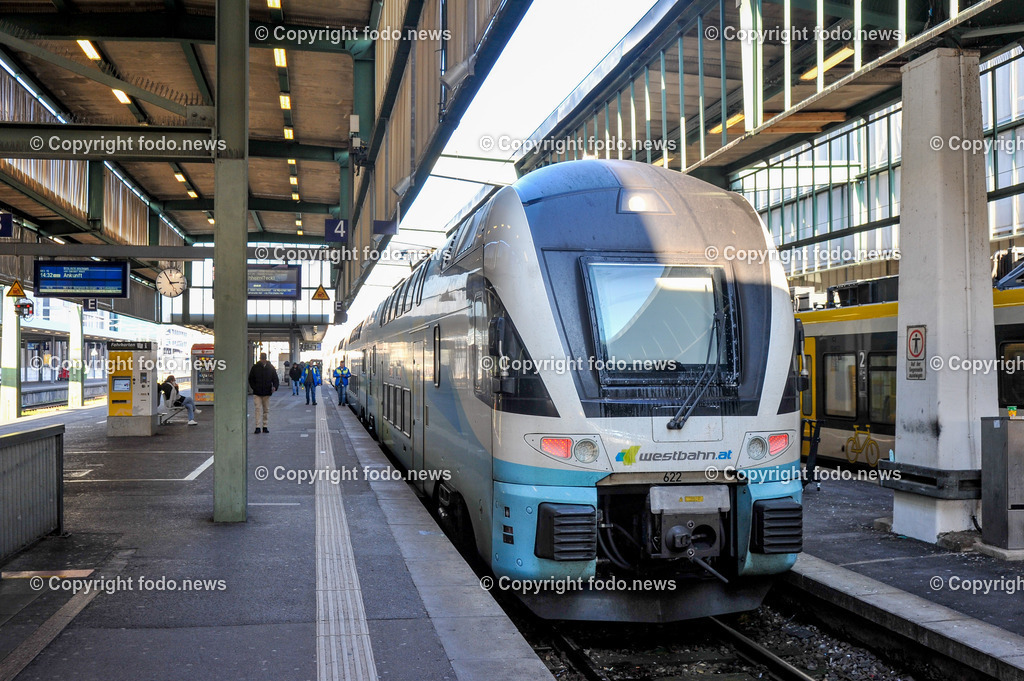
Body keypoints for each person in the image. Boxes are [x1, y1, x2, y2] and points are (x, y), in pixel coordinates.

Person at [248, 352, 279, 433]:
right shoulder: (255, 367)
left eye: (264, 359)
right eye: (262, 359)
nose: (263, 361)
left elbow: (275, 379)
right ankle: (257, 426)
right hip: (257, 392)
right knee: (258, 409)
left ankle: (265, 426)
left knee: (266, 410)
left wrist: (275, 387)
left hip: (266, 392)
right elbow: (250, 379)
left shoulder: (270, 368)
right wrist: (254, 387)